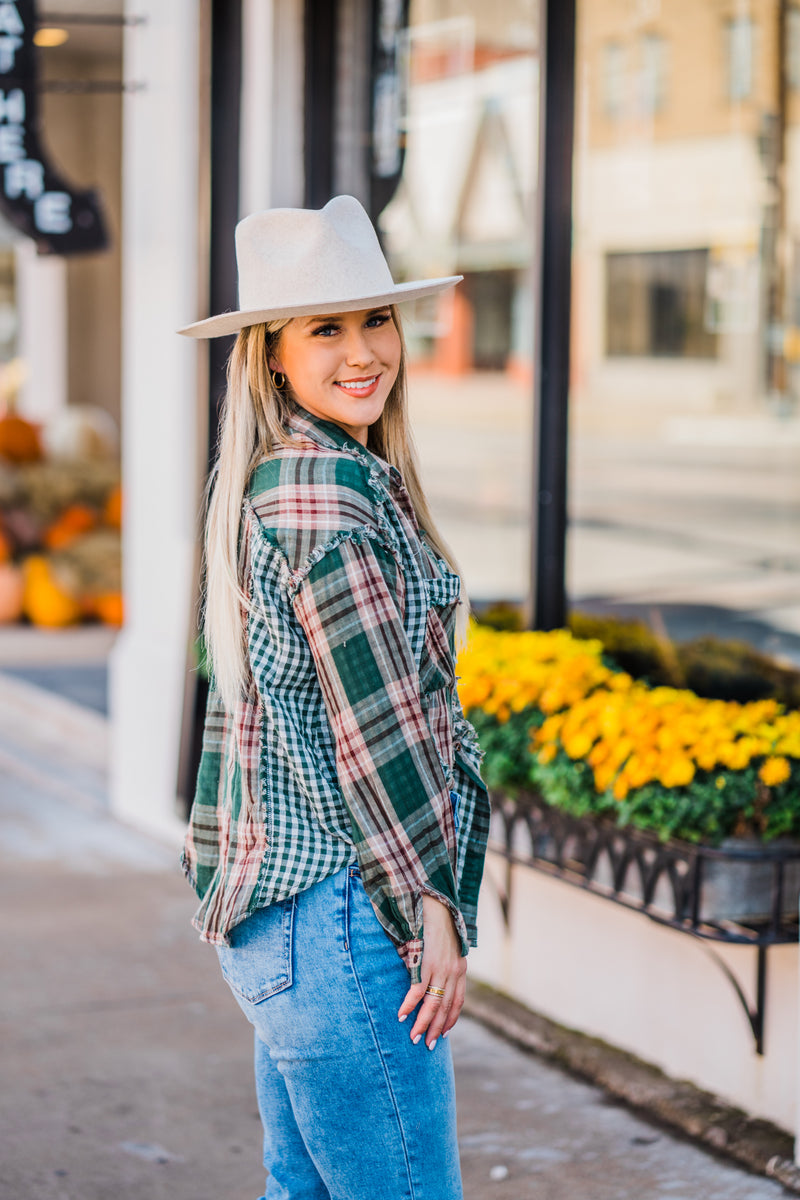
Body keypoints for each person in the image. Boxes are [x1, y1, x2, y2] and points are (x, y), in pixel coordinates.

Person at [178, 195, 490, 1200]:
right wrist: (428, 911)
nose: (363, 352)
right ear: (272, 352)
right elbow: (378, 739)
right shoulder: (325, 495)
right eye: (325, 328)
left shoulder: (281, 475)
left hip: (286, 919)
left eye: (375, 319)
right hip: (341, 919)